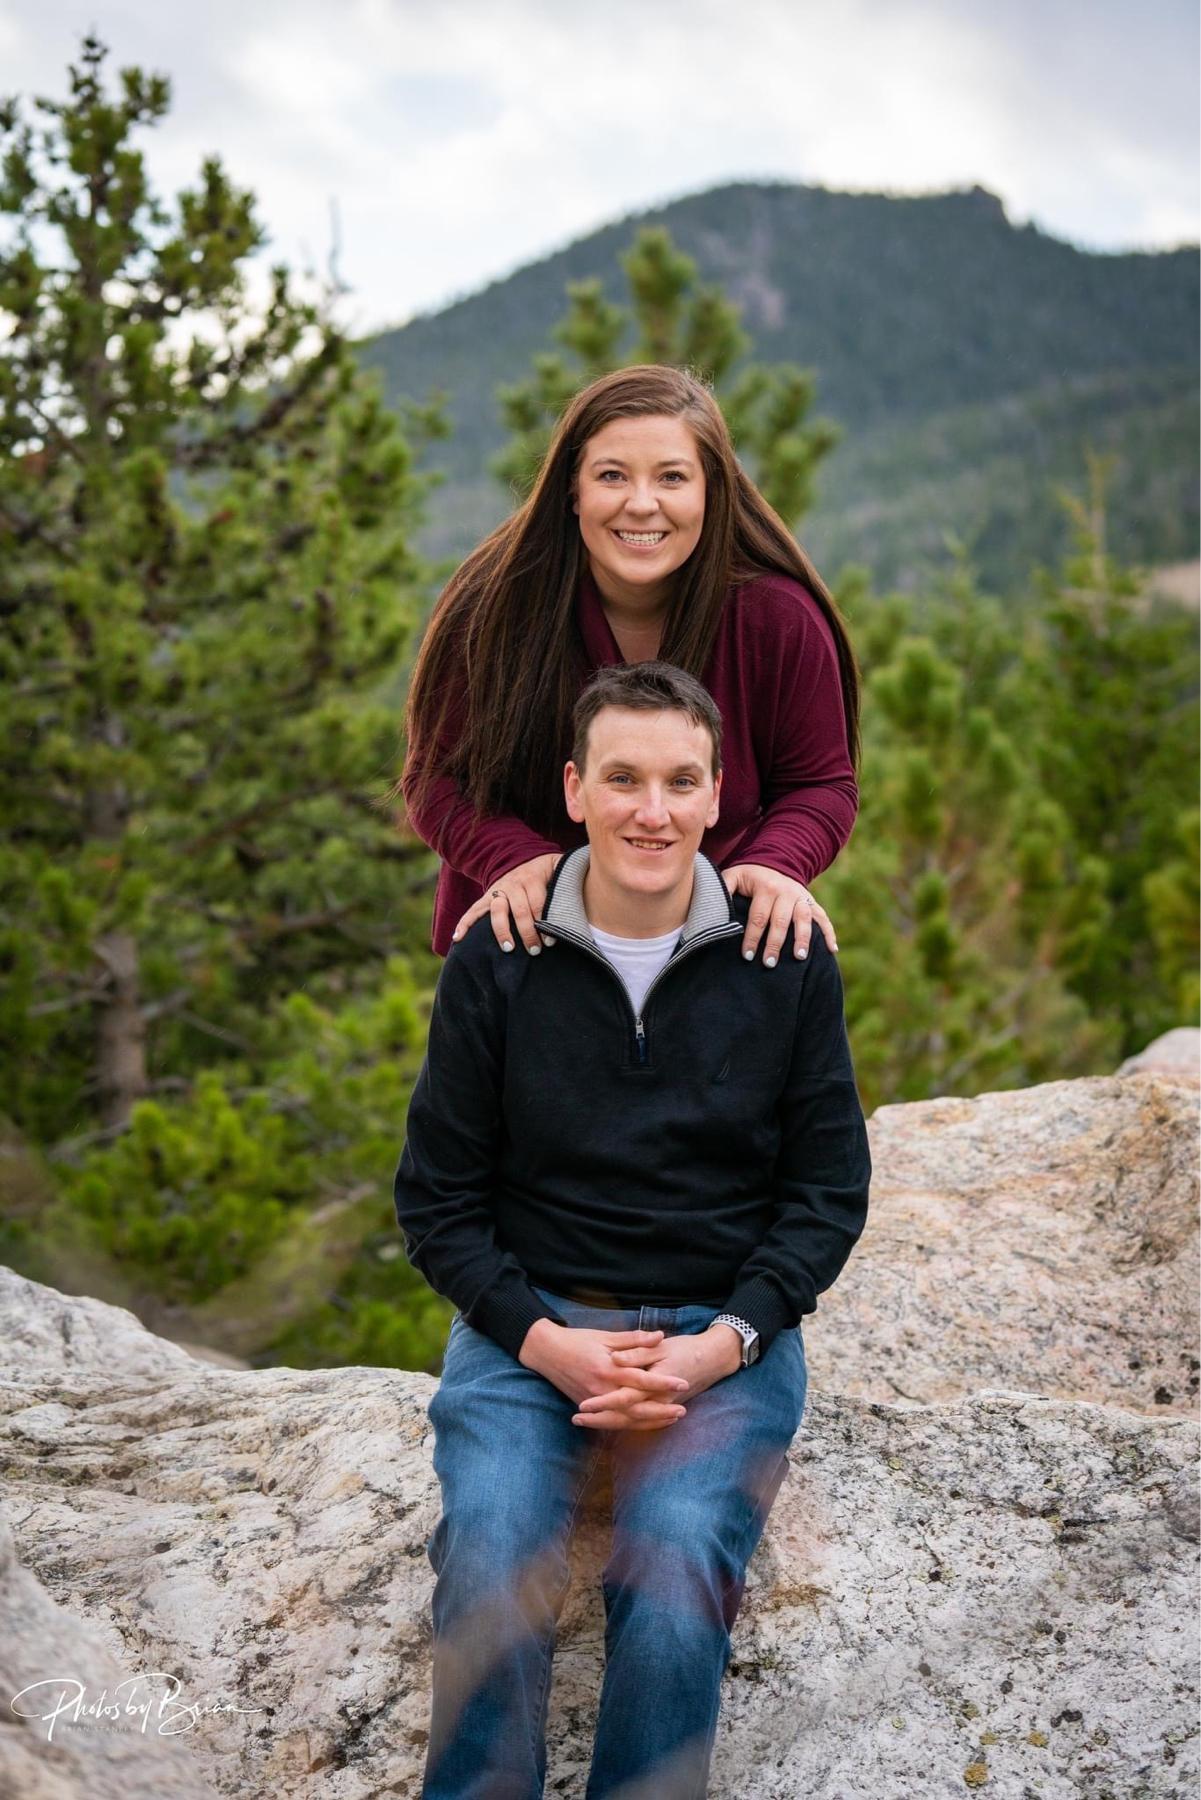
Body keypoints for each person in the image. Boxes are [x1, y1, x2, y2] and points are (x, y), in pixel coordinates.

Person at [395, 661, 871, 1799]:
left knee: (674, 1570)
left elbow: (825, 1193)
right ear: (573, 789)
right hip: (532, 1328)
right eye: (621, 779)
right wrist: (545, 1342)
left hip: (721, 1337)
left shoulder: (782, 954)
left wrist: (723, 1346)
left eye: (679, 782)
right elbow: (437, 1201)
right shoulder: (497, 954)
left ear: (717, 795)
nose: (650, 812)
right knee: (492, 1553)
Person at [402, 363, 860, 972]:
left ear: (711, 491)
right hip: (525, 951)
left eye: (672, 477)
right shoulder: (492, 610)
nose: (642, 505)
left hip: (718, 955)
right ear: (573, 489)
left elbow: (821, 784)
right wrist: (511, 858)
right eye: (612, 475)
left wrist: (776, 863)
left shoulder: (778, 620)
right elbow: (434, 778)